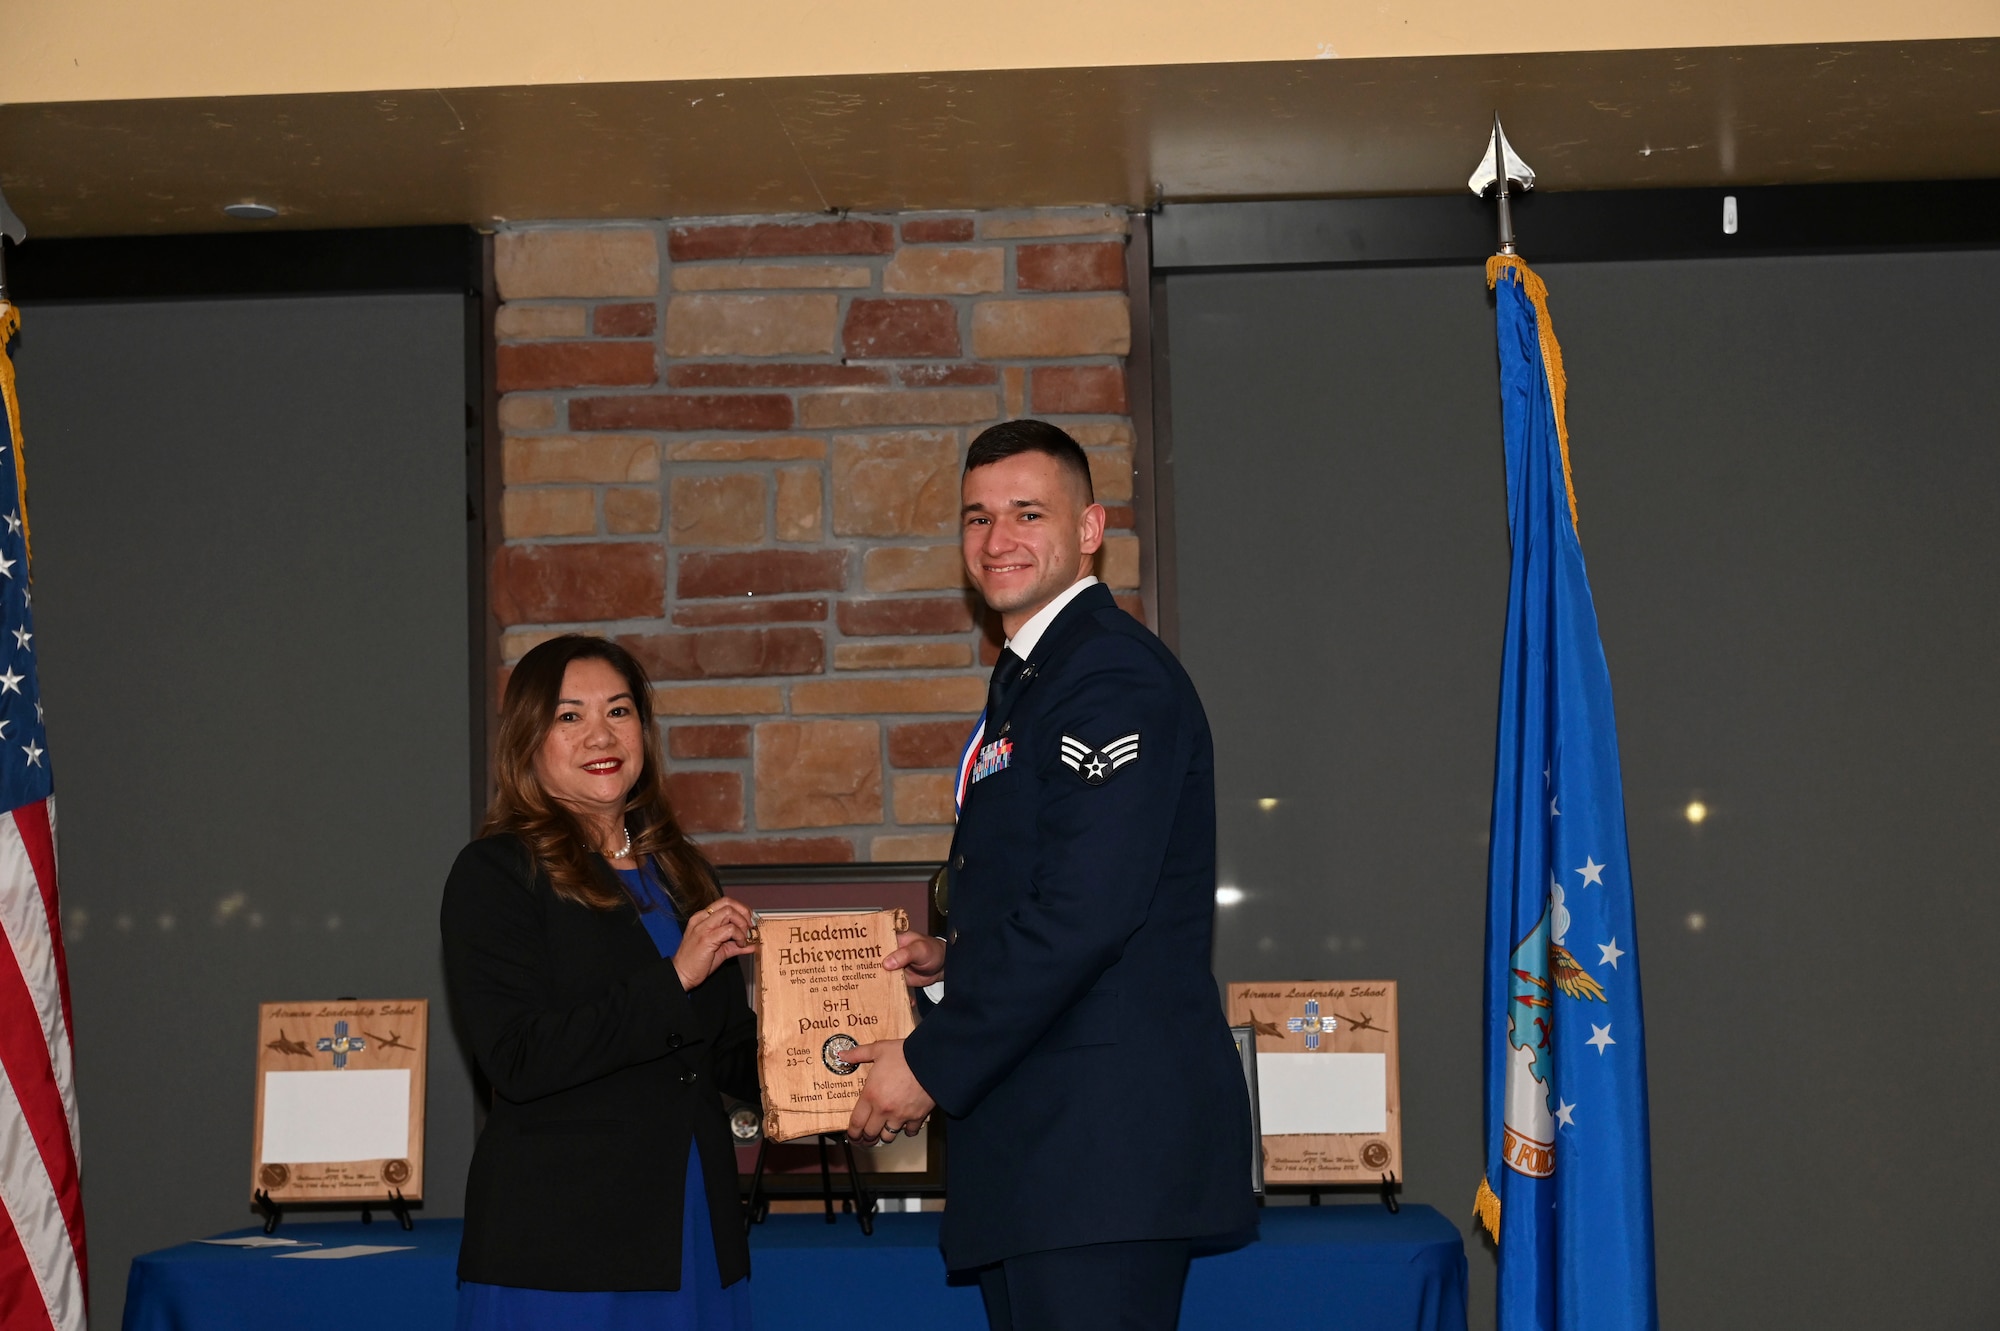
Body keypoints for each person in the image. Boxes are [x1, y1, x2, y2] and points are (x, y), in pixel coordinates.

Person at [843, 419, 1256, 1330]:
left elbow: (1087, 912)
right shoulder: (1036, 679)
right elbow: (1068, 885)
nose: (998, 540)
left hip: (1097, 1155)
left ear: (1089, 528)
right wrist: (956, 958)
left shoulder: (1108, 675)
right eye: (977, 518)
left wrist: (929, 1062)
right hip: (1049, 1155)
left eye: (1028, 513)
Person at [441, 634, 759, 1330]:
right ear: (529, 738)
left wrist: (853, 1043)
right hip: (563, 1252)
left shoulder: (683, 874)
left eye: (619, 711)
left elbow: (730, 1051)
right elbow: (519, 1058)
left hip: (691, 1236)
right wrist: (675, 976)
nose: (600, 734)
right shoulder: (495, 873)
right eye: (569, 716)